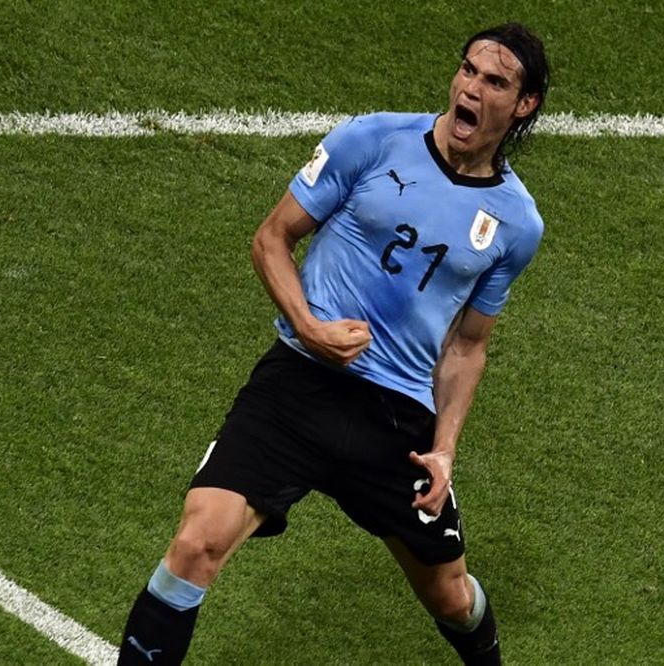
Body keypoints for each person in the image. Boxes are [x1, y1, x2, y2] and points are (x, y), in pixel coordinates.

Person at [118, 22, 550, 665]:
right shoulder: (373, 139)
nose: (471, 89)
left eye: (495, 82)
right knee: (196, 544)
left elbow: (467, 347)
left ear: (523, 106)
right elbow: (272, 238)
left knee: (452, 598)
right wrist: (311, 329)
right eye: (467, 71)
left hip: (396, 420)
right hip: (298, 384)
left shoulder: (518, 223)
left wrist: (445, 450)